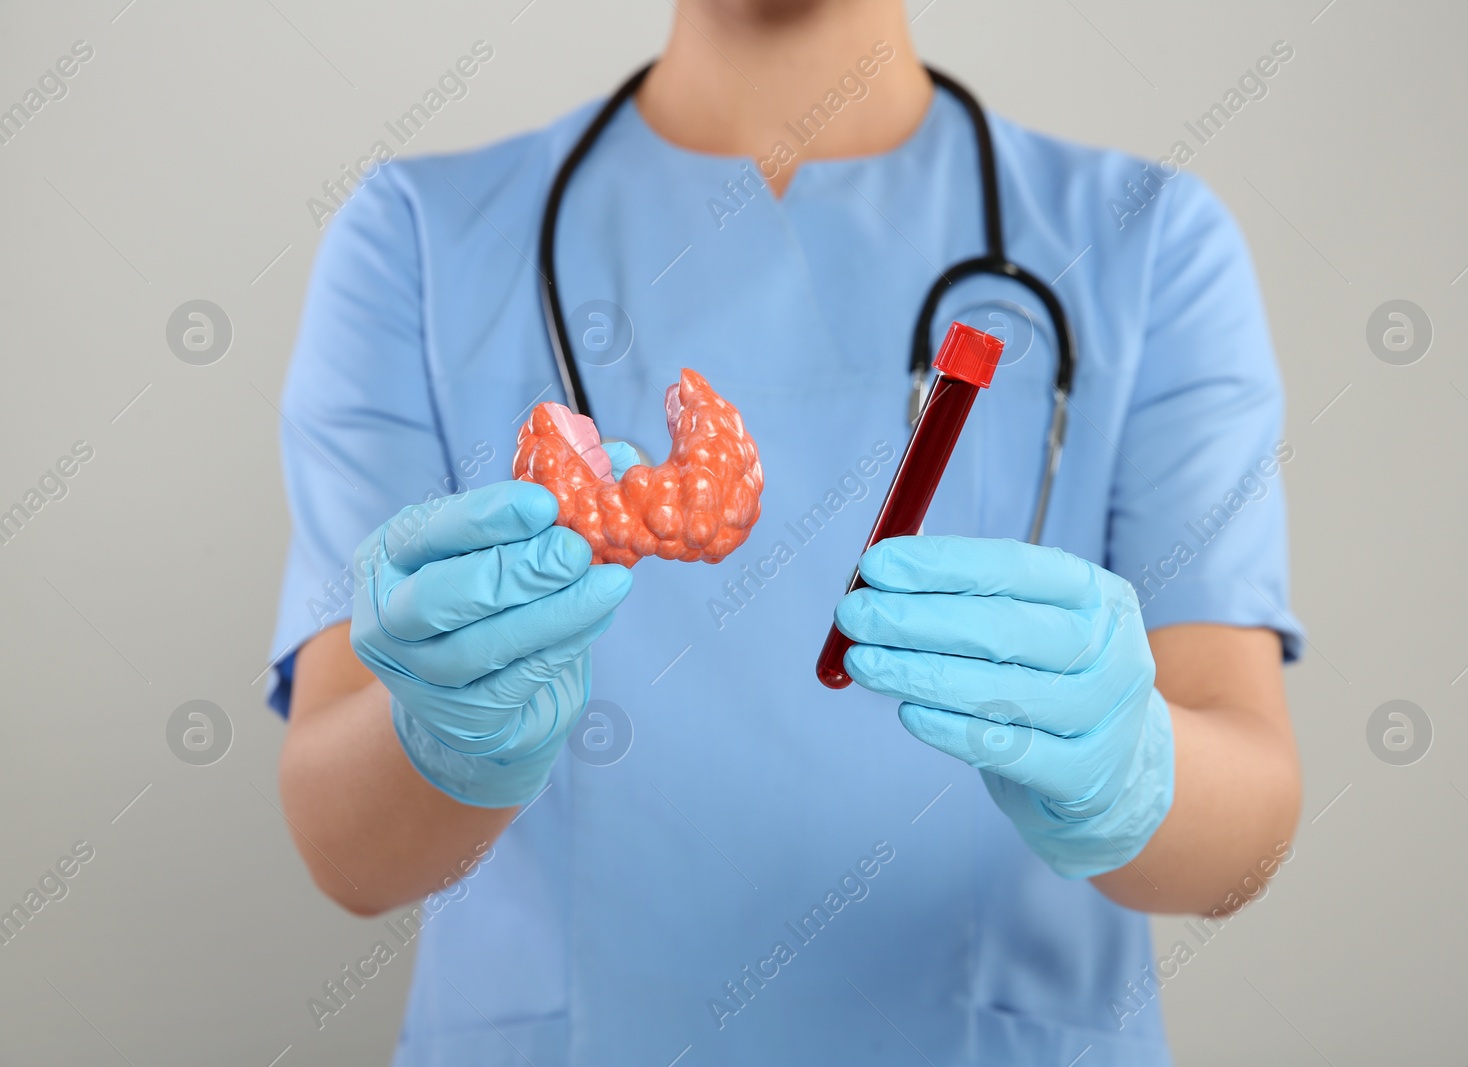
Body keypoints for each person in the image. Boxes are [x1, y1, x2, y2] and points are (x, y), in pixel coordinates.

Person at [269, 1, 1304, 1063]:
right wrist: (442, 732)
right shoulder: (414, 235)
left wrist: (1129, 767)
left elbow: (1245, 835)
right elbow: (346, 851)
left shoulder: (1150, 239)